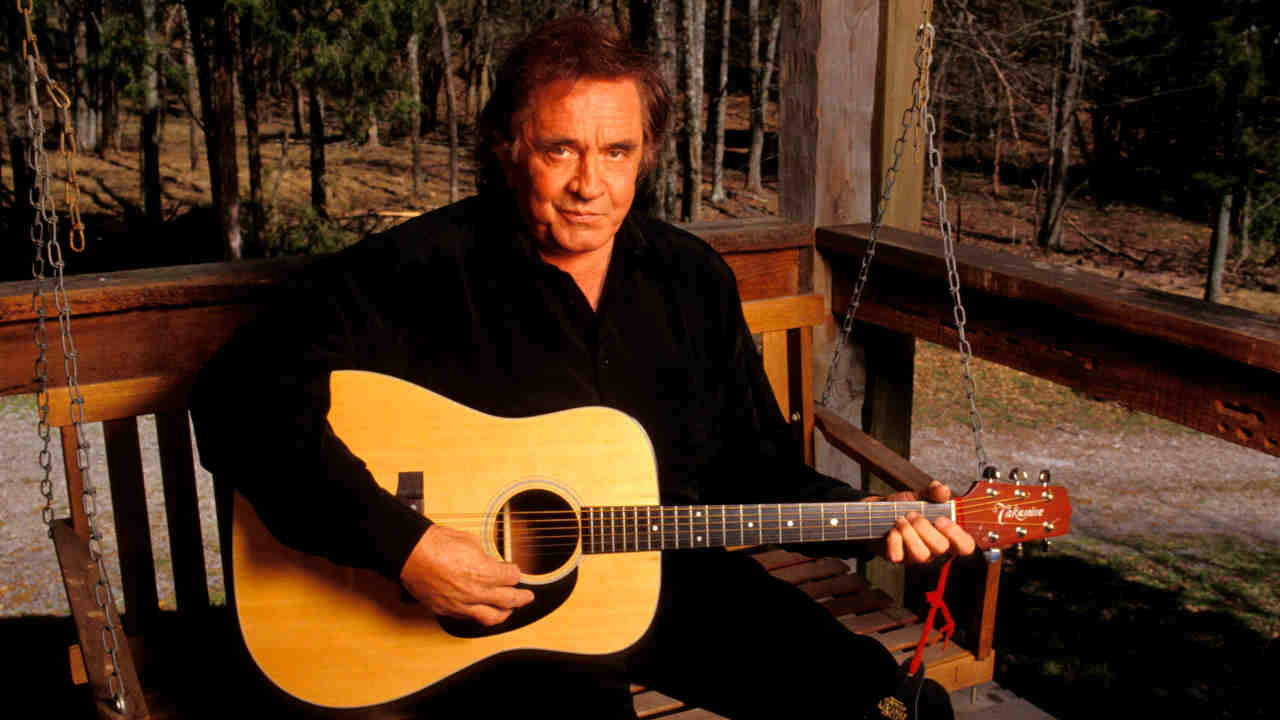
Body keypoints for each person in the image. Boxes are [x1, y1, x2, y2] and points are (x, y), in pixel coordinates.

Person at [190, 15, 974, 720]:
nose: (589, 185)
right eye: (560, 147)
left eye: (617, 151)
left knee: (889, 708)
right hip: (491, 621)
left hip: (670, 581)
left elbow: (757, 469)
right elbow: (238, 396)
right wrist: (406, 546)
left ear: (648, 154)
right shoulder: (420, 270)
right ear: (509, 146)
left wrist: (879, 526)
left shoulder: (690, 279)